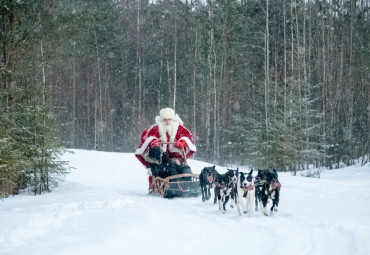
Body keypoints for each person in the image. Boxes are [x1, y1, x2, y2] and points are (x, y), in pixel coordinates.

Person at [135, 107, 196, 193]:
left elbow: (188, 138)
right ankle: (154, 186)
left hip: (175, 158)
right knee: (157, 169)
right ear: (161, 119)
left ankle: (181, 183)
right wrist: (153, 142)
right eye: (165, 120)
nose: (167, 122)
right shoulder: (154, 129)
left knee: (178, 166)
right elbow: (146, 138)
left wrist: (183, 142)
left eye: (169, 119)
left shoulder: (180, 129)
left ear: (173, 119)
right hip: (159, 158)